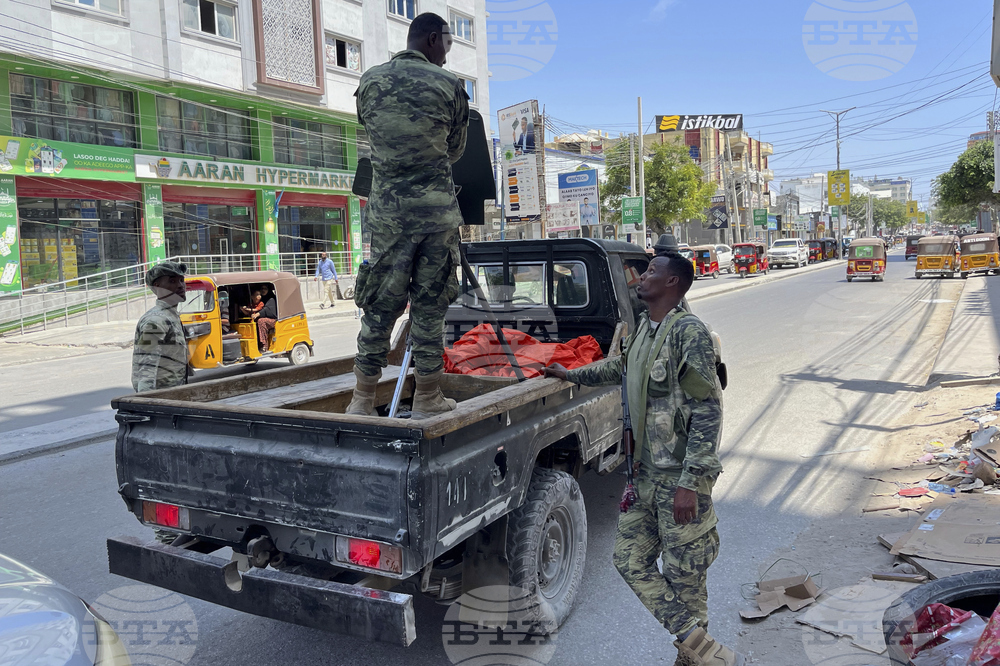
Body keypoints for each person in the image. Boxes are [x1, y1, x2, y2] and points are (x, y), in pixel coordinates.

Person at [545, 254, 742, 666]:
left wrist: (691, 483)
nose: (642, 275)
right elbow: (622, 367)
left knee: (685, 575)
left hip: (679, 480)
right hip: (645, 477)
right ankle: (692, 637)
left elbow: (708, 408)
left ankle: (694, 659)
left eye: (652, 271)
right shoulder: (645, 331)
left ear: (672, 283)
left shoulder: (689, 333)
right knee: (627, 559)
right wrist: (571, 375)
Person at [348, 12, 469, 419]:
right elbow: (454, 150)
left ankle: (362, 400)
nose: (447, 56)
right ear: (434, 39)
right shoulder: (450, 86)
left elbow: (371, 134)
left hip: (388, 216)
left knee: (381, 303)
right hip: (435, 214)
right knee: (430, 306)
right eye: (448, 46)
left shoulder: (370, 82)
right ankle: (428, 398)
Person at [132, 261, 189, 393]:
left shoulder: (171, 315)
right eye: (172, 281)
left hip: (174, 397)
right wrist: (147, 405)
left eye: (182, 280)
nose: (181, 286)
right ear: (158, 287)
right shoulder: (156, 321)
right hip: (162, 402)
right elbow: (146, 369)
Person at [252, 286, 278, 353]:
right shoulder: (261, 299)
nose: (263, 290)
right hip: (263, 318)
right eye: (262, 289)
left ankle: (264, 345)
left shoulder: (271, 299)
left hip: (273, 320)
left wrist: (258, 314)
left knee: (261, 321)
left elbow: (267, 309)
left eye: (265, 289)